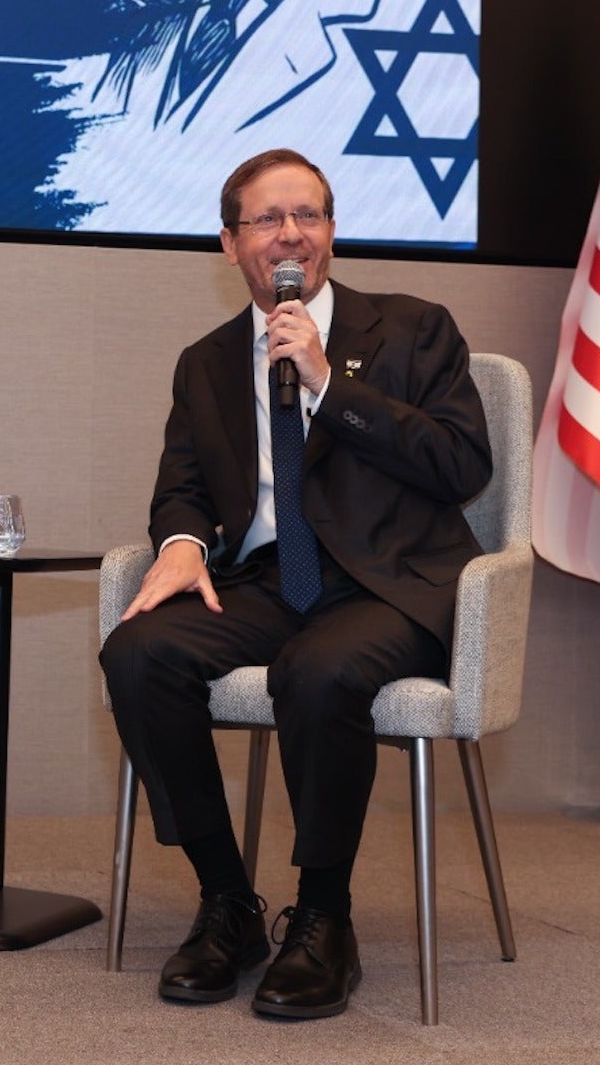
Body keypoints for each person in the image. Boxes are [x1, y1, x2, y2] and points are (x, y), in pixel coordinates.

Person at [99, 148, 490, 1019]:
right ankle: (227, 902)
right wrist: (182, 542)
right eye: (268, 219)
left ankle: (323, 918)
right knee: (138, 654)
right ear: (230, 243)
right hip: (272, 579)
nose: (290, 235)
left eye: (307, 215)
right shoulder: (206, 362)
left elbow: (462, 464)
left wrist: (327, 381)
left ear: (332, 232)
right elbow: (182, 486)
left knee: (317, 672)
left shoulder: (413, 329)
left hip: (391, 583)